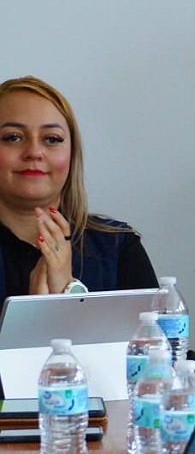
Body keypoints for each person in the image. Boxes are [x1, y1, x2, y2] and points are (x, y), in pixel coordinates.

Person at [0, 76, 158, 305]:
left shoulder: (118, 246)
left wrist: (68, 290)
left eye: (52, 139)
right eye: (13, 137)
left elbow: (153, 328)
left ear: (72, 155)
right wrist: (32, 316)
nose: (34, 152)